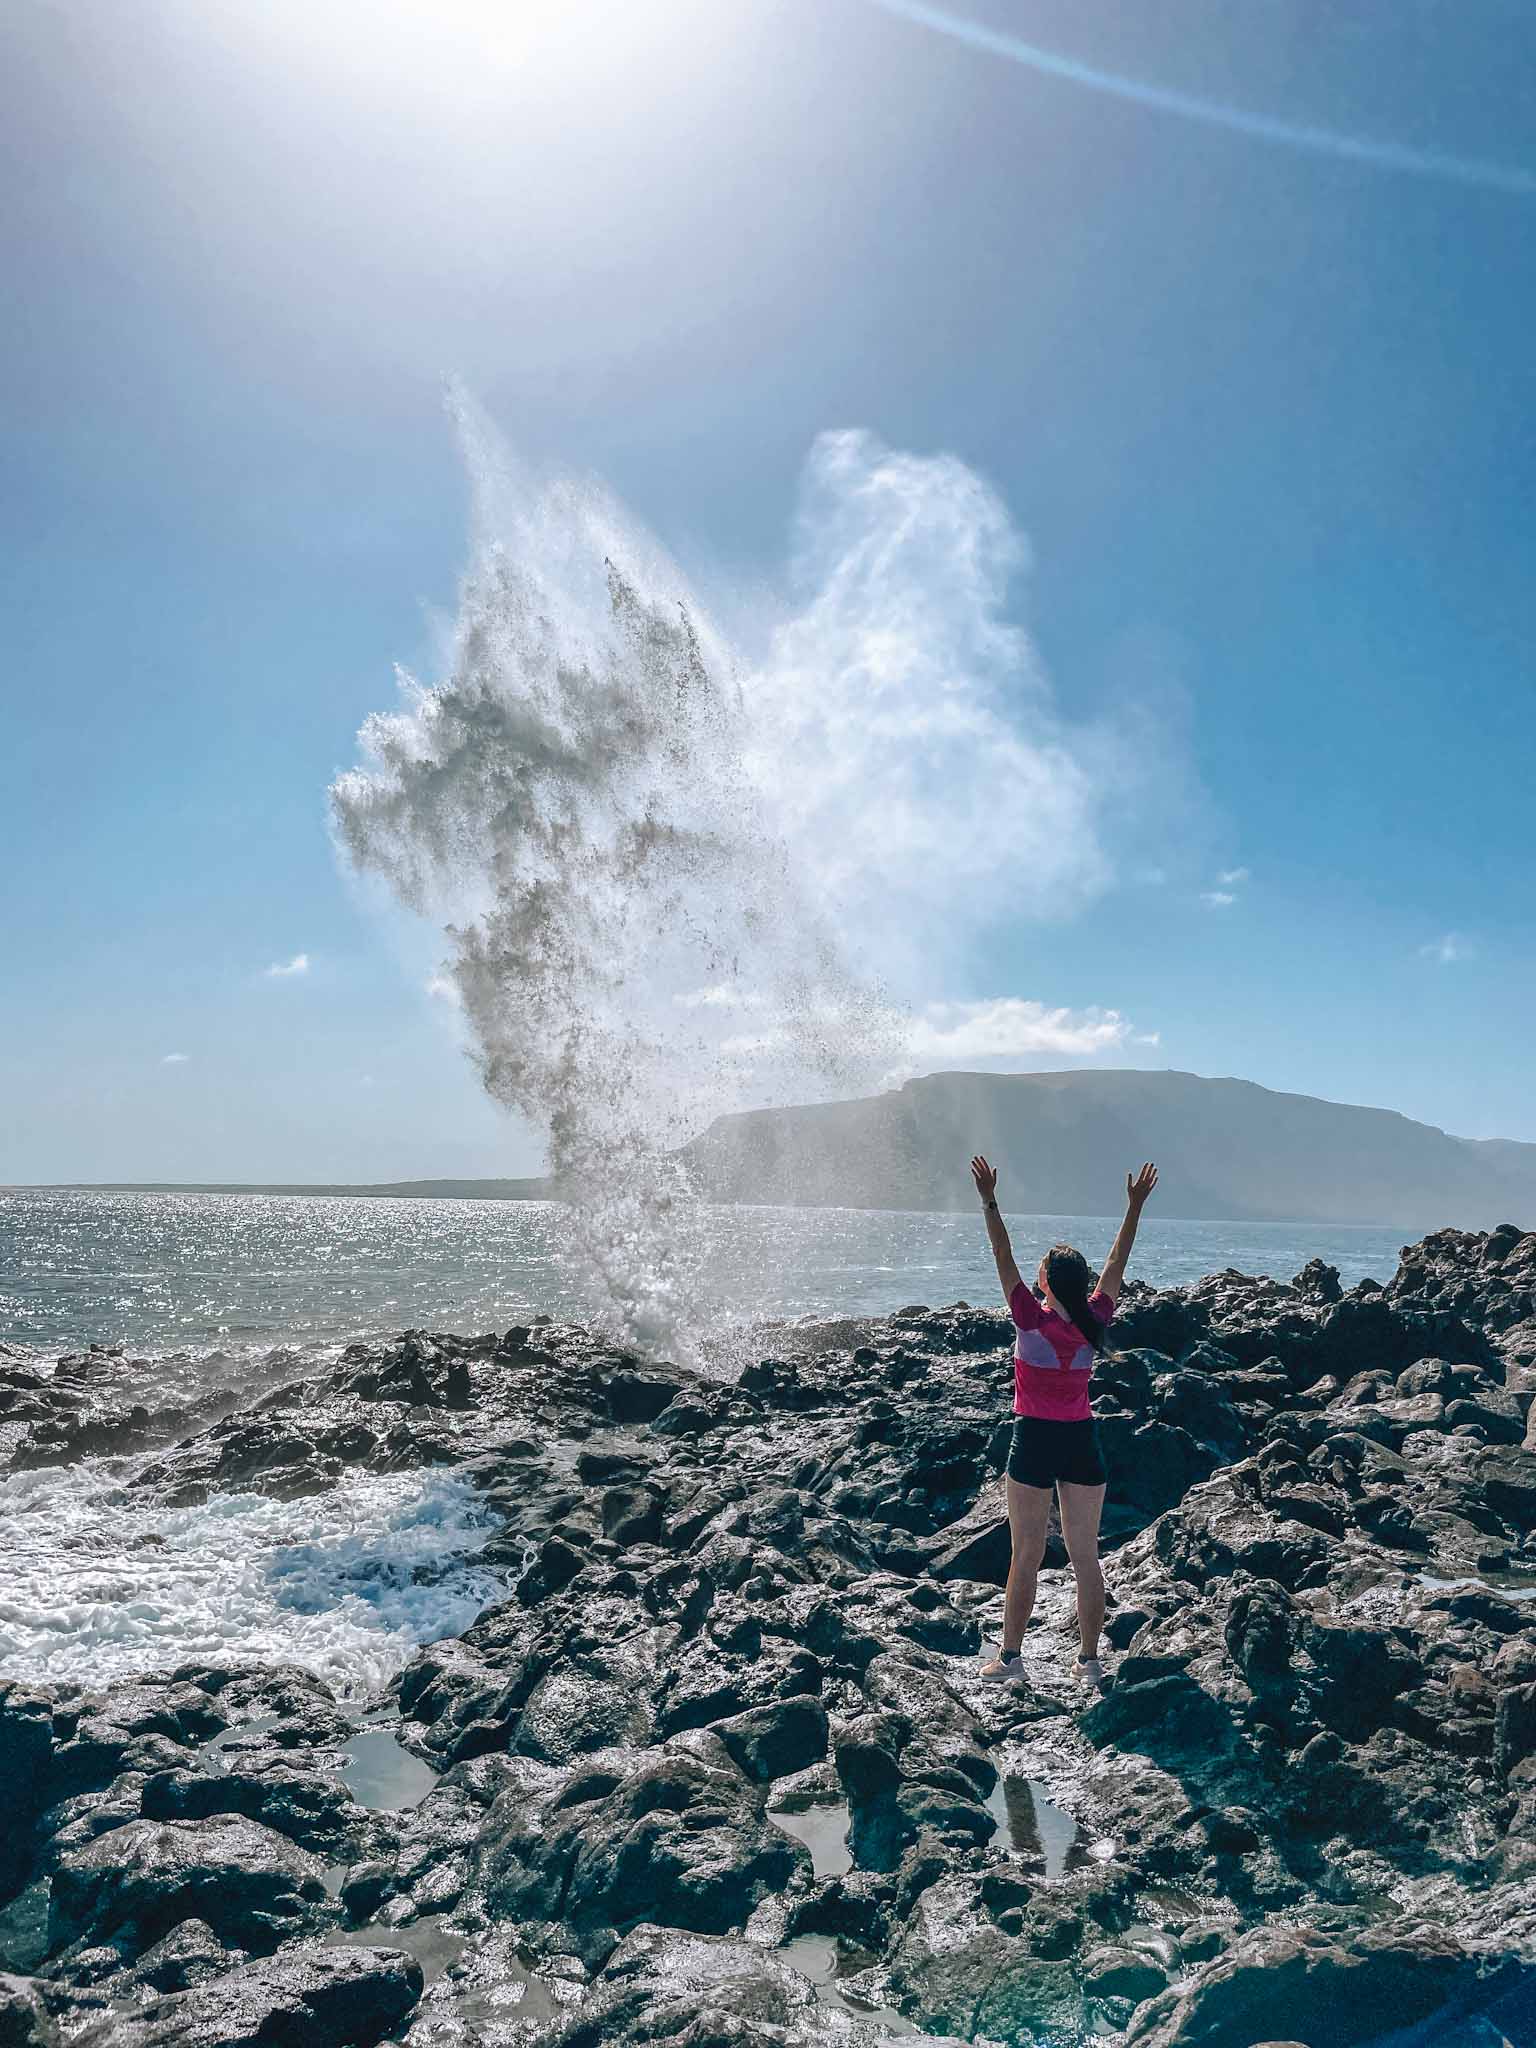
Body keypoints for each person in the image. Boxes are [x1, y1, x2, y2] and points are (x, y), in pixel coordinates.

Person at [969, 1153, 1158, 1692]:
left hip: (1032, 1440)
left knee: (1025, 1553)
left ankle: (1011, 1659)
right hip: (1081, 1443)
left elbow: (1000, 1251)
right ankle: (1090, 1662)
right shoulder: (1096, 1317)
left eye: (1042, 1270)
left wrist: (988, 1198)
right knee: (1085, 1556)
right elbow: (1118, 1261)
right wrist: (1134, 1207)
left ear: (1046, 1280)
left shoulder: (1029, 1316)